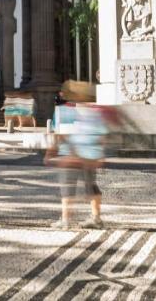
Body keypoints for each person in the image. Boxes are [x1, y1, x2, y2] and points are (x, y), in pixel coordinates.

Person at [46, 80, 108, 230]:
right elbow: (102, 135)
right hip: (90, 155)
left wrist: (51, 151)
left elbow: (62, 134)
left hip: (71, 155)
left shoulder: (64, 110)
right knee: (91, 187)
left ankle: (66, 220)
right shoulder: (95, 111)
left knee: (68, 188)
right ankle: (96, 218)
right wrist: (100, 155)